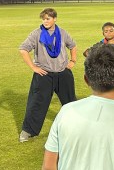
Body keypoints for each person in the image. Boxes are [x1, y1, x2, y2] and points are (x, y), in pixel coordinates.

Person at [19, 8, 78, 143]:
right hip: (44, 74)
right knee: (37, 102)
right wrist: (33, 67)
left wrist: (73, 60)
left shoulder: (62, 32)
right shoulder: (37, 33)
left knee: (70, 102)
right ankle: (28, 131)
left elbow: (73, 46)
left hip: (63, 73)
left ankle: (76, 128)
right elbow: (23, 49)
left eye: (48, 19)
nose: (45, 21)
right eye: (43, 19)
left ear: (55, 19)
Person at [83, 22, 114, 101]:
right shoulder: (101, 45)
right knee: (107, 97)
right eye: (106, 31)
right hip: (106, 75)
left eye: (111, 31)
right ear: (103, 33)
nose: (109, 33)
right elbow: (86, 52)